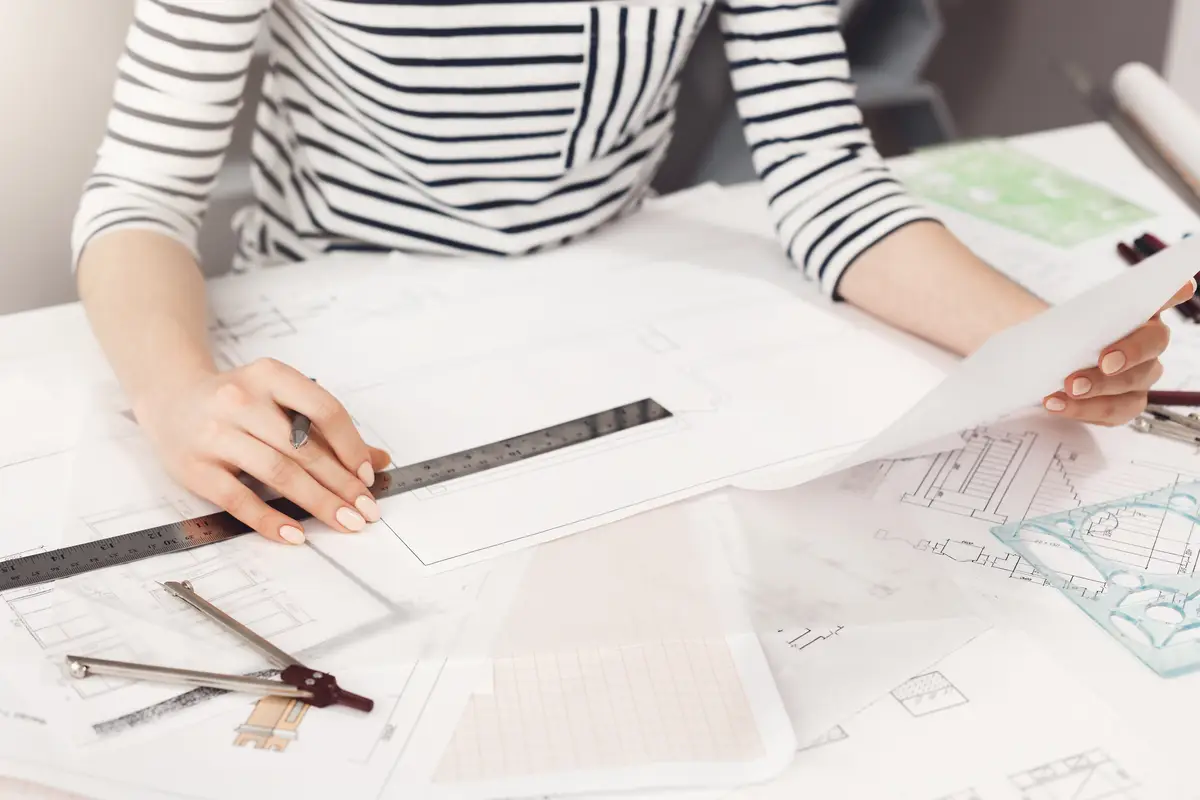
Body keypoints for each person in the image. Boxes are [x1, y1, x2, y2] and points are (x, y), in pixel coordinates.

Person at [73, 0, 1193, 546]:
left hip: (613, 322)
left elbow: (819, 173)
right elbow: (140, 191)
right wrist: (175, 395)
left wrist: (1045, 341)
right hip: (339, 337)